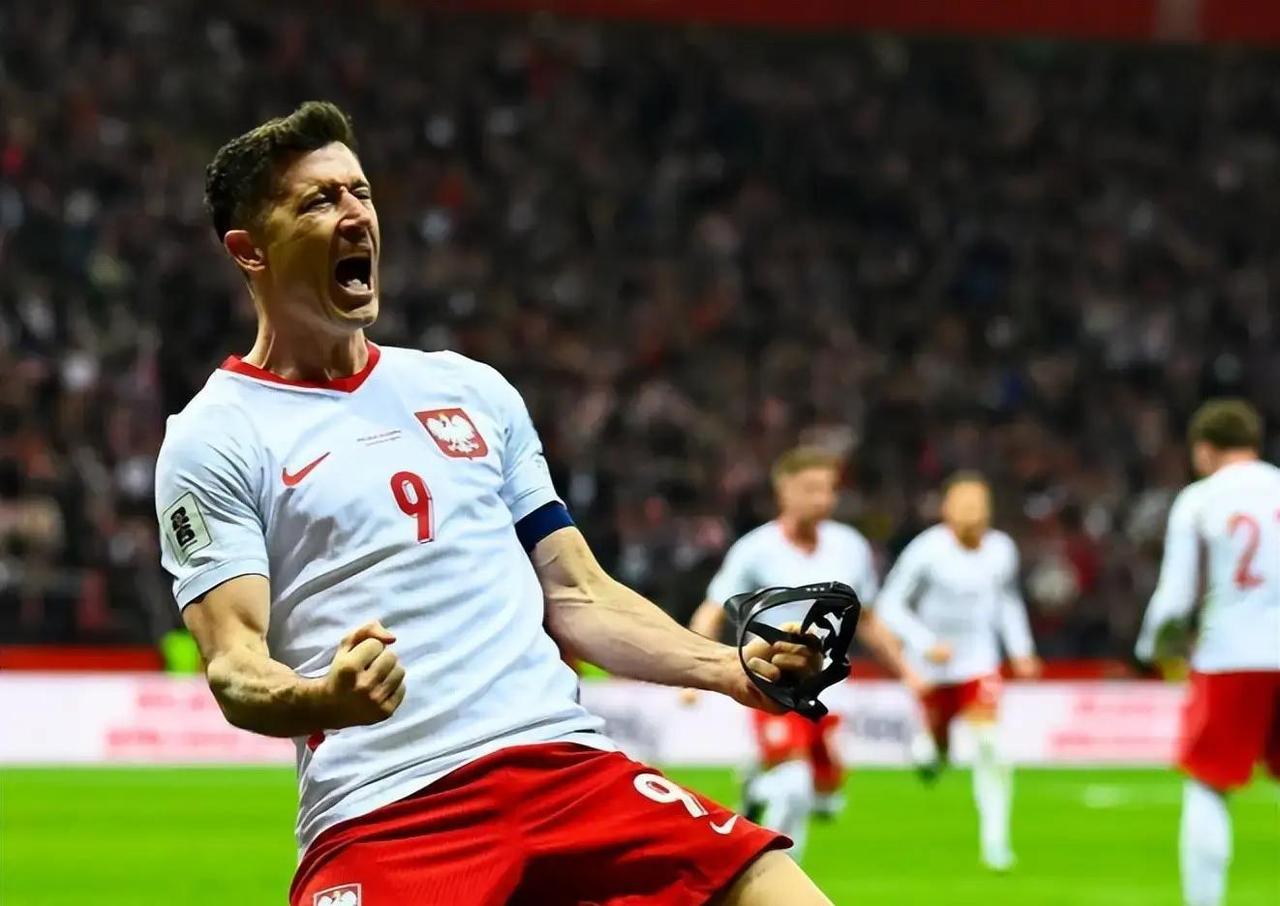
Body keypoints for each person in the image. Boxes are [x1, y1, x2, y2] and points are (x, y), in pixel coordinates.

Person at [154, 101, 834, 906]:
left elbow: (577, 595)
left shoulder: (470, 390)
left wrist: (729, 668)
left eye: (360, 192)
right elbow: (235, 666)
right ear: (249, 250)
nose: (355, 214)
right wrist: (320, 700)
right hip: (390, 809)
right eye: (319, 201)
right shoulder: (216, 435)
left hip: (568, 772)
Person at [685, 447, 925, 861]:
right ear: (784, 491)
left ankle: (755, 786)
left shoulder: (850, 547)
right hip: (771, 681)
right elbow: (712, 608)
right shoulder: (755, 549)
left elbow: (868, 618)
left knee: (826, 797)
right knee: (794, 785)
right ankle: (778, 873)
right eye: (811, 489)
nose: (822, 499)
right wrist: (695, 669)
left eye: (828, 489)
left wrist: (908, 672)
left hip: (827, 687)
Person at [1135, 399, 1280, 906]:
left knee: (1209, 784)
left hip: (1229, 656)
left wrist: (1152, 648)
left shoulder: (1200, 499)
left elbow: (1175, 597)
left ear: (1203, 449)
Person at [875, 472, 1040, 873]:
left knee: (990, 746)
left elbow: (1007, 602)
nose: (973, 516)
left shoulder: (1001, 550)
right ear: (946, 510)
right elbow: (890, 605)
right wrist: (924, 641)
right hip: (932, 667)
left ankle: (996, 843)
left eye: (979, 507)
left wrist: (1021, 650)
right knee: (933, 753)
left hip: (978, 663)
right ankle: (930, 753)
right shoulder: (926, 551)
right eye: (965, 507)